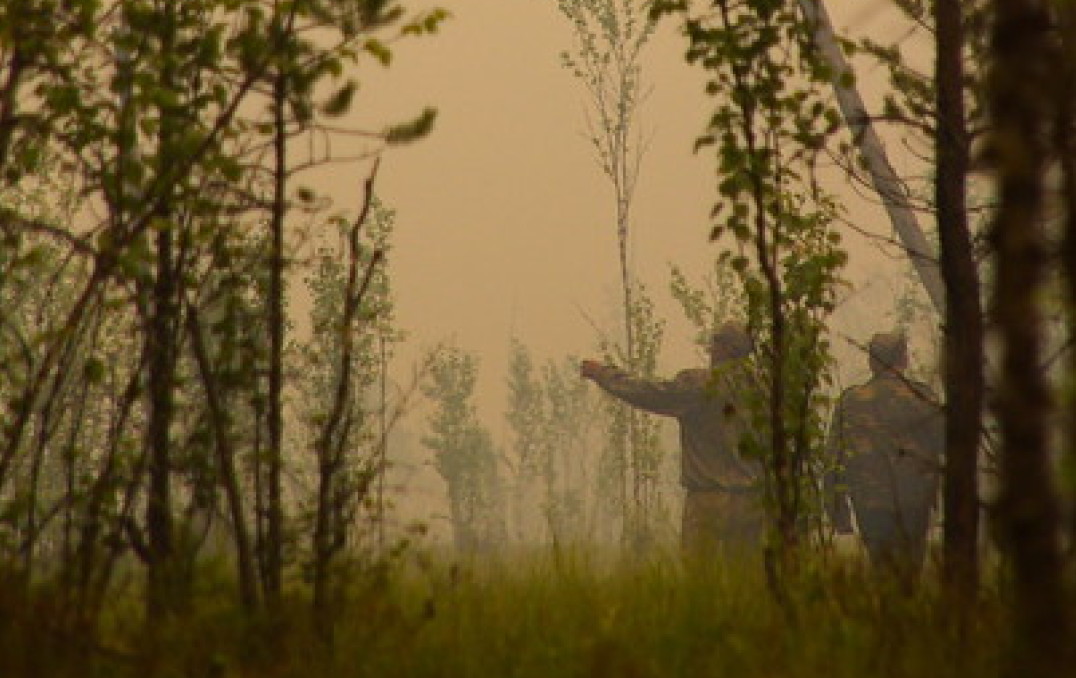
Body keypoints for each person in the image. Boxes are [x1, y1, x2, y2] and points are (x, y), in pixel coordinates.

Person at [580, 322, 763, 555]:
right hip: (753, 505)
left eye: (715, 341)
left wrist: (603, 375)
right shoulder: (765, 389)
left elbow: (650, 393)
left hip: (709, 502)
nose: (710, 348)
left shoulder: (702, 385)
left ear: (727, 348)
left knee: (699, 582)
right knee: (748, 584)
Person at [824, 331, 943, 582]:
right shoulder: (923, 399)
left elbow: (833, 461)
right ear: (904, 359)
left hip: (871, 505)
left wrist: (839, 513)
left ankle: (886, 614)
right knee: (911, 574)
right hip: (914, 503)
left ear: (871, 362)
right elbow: (945, 449)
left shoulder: (850, 402)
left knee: (882, 572)